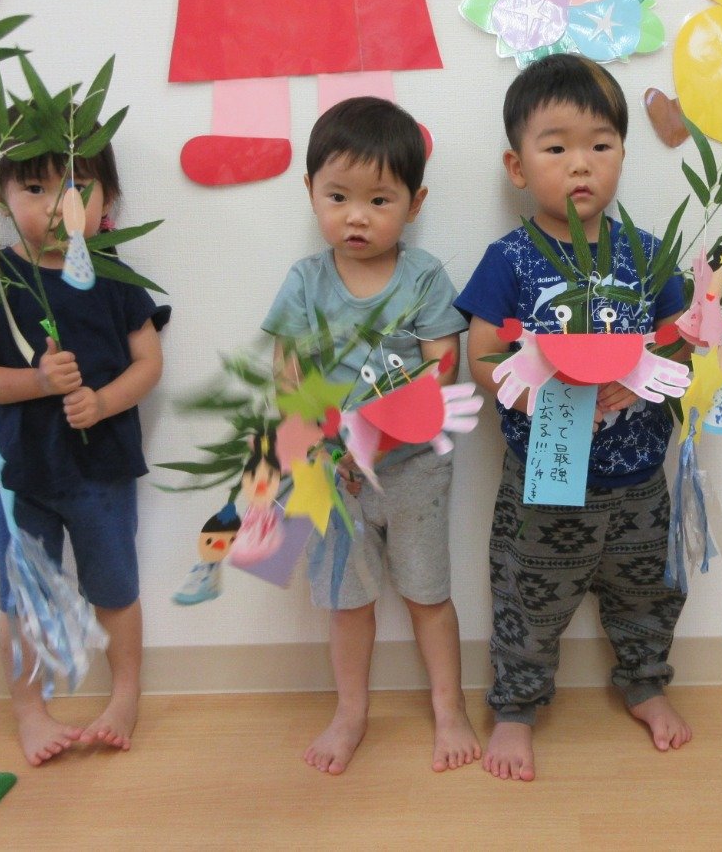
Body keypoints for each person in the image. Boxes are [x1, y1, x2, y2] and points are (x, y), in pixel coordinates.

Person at [457, 54, 690, 782]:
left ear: (622, 153)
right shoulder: (510, 258)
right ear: (517, 167)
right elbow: (482, 353)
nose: (580, 164)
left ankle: (646, 683)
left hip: (640, 475)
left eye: (600, 144)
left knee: (648, 590)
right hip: (545, 477)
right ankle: (516, 708)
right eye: (556, 147)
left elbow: (684, 336)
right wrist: (536, 392)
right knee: (529, 596)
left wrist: (644, 378)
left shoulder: (648, 254)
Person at [262, 96, 477, 775]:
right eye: (338, 197)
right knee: (347, 603)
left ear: (414, 203)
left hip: (413, 468)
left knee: (427, 594)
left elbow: (444, 365)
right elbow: (288, 373)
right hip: (334, 472)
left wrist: (383, 430)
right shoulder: (306, 281)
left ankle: (449, 709)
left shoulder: (425, 276)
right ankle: (350, 713)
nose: (357, 216)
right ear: (310, 192)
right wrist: (319, 441)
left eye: (379, 200)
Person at [0, 129, 168, 766]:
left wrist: (102, 402)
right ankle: (29, 710)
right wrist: (39, 383)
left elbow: (148, 364)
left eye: (75, 186)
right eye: (34, 187)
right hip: (19, 467)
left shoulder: (114, 274)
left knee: (115, 587)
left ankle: (124, 696)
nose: (54, 206)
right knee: (24, 597)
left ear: (108, 197)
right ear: (1, 197)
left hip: (100, 465)